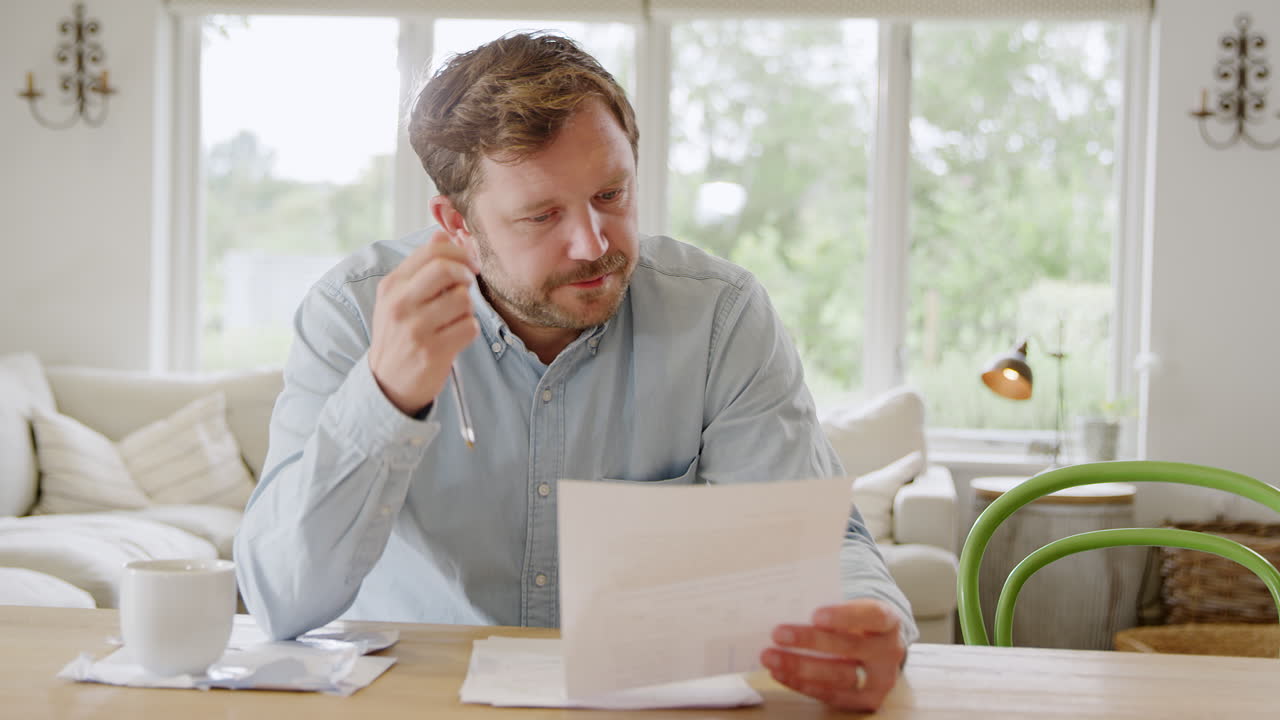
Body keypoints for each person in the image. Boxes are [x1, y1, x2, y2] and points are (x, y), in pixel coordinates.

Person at [234, 31, 917, 712]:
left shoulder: (720, 317)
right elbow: (280, 600)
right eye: (542, 215)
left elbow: (815, 539)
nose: (594, 244)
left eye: (611, 195)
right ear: (457, 225)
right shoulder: (354, 313)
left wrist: (866, 620)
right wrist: (385, 400)